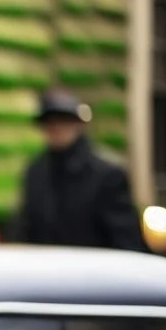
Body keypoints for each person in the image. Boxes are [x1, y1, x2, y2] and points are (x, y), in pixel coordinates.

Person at [15, 90, 145, 250]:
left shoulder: (107, 174)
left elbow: (125, 238)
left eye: (64, 121)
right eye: (50, 123)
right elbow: (25, 227)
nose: (56, 129)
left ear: (78, 125)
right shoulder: (36, 172)